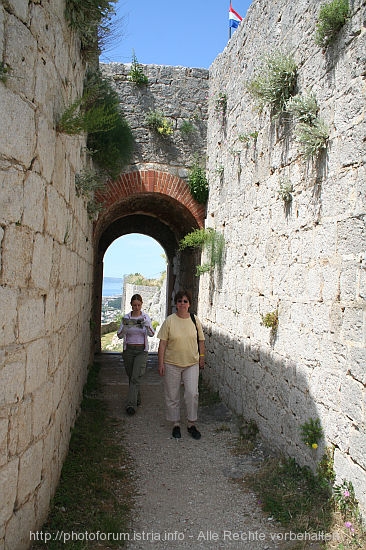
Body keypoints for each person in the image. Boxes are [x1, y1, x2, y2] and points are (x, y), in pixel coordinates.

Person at [158, 290, 205, 440]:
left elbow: (201, 340)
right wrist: (160, 363)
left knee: (192, 393)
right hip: (172, 363)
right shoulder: (170, 321)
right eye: (179, 301)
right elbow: (163, 344)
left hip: (191, 363)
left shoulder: (194, 320)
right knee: (172, 394)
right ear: (176, 304)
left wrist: (202, 357)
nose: (182, 304)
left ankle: (191, 423)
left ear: (189, 304)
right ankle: (176, 424)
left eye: (185, 301)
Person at [117, 294, 155, 416]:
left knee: (135, 377)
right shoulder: (126, 318)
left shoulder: (145, 317)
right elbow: (119, 335)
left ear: (141, 305)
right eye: (134, 305)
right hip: (128, 350)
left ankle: (131, 405)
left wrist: (147, 325)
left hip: (141, 351)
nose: (137, 307)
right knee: (131, 377)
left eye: (138, 305)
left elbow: (151, 334)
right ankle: (137, 399)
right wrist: (126, 328)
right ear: (131, 305)